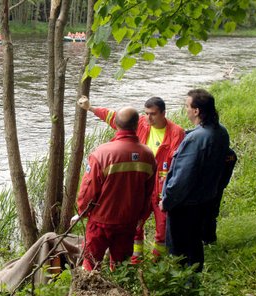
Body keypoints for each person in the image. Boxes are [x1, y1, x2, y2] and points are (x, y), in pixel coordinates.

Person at [78, 96, 184, 263]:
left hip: (161, 188)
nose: (148, 118)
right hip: (139, 184)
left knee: (162, 228)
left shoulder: (176, 133)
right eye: (146, 113)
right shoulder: (140, 123)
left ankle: (158, 261)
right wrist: (90, 108)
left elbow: (178, 164)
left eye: (153, 114)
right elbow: (114, 117)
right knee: (135, 225)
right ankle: (135, 259)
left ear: (163, 113)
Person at [76, 107, 156, 271]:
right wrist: (142, 216)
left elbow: (88, 189)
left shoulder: (102, 153)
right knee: (121, 265)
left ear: (116, 125)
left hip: (101, 221)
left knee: (91, 263)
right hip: (128, 221)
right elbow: (149, 192)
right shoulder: (148, 155)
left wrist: (82, 211)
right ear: (136, 126)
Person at [160, 89, 230, 272]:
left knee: (178, 251)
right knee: (194, 245)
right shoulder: (221, 132)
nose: (186, 109)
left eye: (187, 106)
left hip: (185, 204)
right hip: (205, 199)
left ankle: (181, 286)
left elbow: (182, 177)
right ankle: (195, 283)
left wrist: (167, 201)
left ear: (197, 111)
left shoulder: (196, 139)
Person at [201, 147, 237, 244]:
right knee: (211, 213)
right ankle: (209, 239)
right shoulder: (230, 154)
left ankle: (208, 240)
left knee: (208, 213)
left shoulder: (227, 154)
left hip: (208, 188)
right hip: (216, 188)